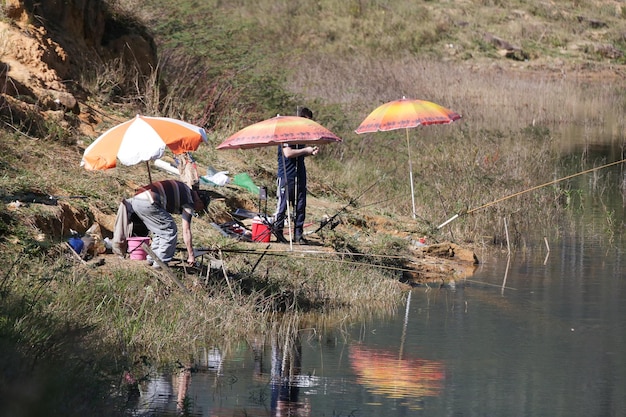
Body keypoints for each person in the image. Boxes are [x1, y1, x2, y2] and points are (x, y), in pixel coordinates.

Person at [128, 179, 209, 266]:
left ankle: (152, 259)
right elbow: (186, 230)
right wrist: (191, 255)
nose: (198, 210)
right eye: (202, 208)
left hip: (136, 200)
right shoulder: (189, 201)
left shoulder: (185, 190)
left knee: (159, 231)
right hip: (149, 201)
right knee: (169, 229)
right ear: (200, 201)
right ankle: (161, 264)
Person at [273, 106, 319, 244]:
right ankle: (278, 232)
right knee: (283, 205)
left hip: (300, 173)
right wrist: (306, 150)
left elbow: (300, 154)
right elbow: (288, 153)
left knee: (300, 205)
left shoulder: (302, 135)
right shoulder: (286, 132)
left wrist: (310, 152)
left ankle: (298, 234)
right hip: (287, 174)